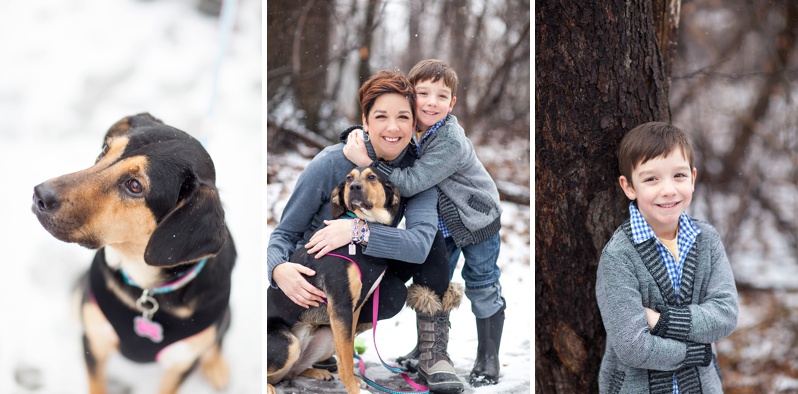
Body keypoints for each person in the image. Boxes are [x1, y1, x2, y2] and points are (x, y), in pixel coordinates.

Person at [267, 70, 464, 394]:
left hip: (365, 265)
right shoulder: (330, 164)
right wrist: (278, 268)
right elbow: (284, 233)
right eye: (381, 116)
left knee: (412, 271)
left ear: (414, 122)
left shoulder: (419, 172)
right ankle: (319, 350)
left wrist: (357, 230)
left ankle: (432, 351)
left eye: (403, 117)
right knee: (330, 296)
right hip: (311, 279)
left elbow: (418, 245)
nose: (392, 127)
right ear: (365, 120)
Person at [343, 59, 505, 386]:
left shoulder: (450, 140)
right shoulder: (410, 128)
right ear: (409, 97)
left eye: (442, 96)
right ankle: (428, 349)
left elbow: (413, 181)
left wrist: (368, 163)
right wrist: (357, 136)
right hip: (442, 222)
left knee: (482, 282)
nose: (432, 102)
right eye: (423, 93)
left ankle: (489, 358)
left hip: (476, 219)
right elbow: (386, 140)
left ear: (452, 103)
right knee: (434, 281)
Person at [595, 122, 738, 393]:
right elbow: (633, 347)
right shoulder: (619, 257)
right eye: (651, 179)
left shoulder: (707, 240)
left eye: (679, 176)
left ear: (693, 178)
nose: (669, 190)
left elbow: (726, 314)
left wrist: (662, 321)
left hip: (702, 387)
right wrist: (695, 351)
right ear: (629, 187)